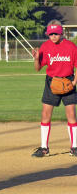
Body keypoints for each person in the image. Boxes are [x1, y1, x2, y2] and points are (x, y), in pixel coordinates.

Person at [31, 20, 77, 157]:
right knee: (45, 114)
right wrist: (36, 58)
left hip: (68, 81)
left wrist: (74, 82)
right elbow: (38, 68)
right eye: (50, 34)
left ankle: (74, 147)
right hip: (51, 82)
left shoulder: (71, 47)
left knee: (71, 115)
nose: (53, 36)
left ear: (61, 33)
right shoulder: (45, 46)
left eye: (56, 33)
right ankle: (44, 148)